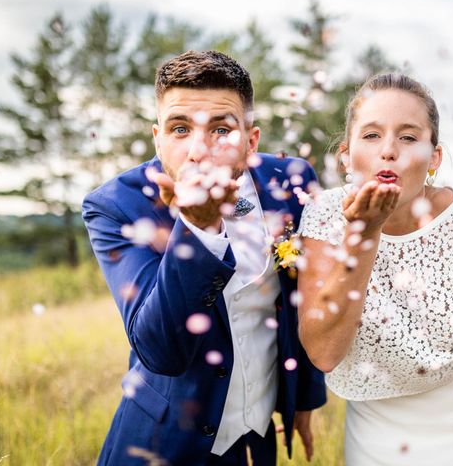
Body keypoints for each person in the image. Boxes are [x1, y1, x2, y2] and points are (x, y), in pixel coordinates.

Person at [82, 50, 326, 465]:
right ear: (158, 138)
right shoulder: (116, 206)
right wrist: (197, 231)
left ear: (251, 141)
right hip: (165, 444)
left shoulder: (291, 180)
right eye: (180, 129)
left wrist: (303, 398)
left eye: (221, 129)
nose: (199, 151)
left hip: (256, 439)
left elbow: (305, 294)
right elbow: (161, 351)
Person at [297, 73, 453, 465]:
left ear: (434, 157)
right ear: (345, 154)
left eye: (409, 137)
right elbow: (323, 352)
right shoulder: (324, 217)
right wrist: (362, 236)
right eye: (372, 135)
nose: (389, 151)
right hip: (377, 441)